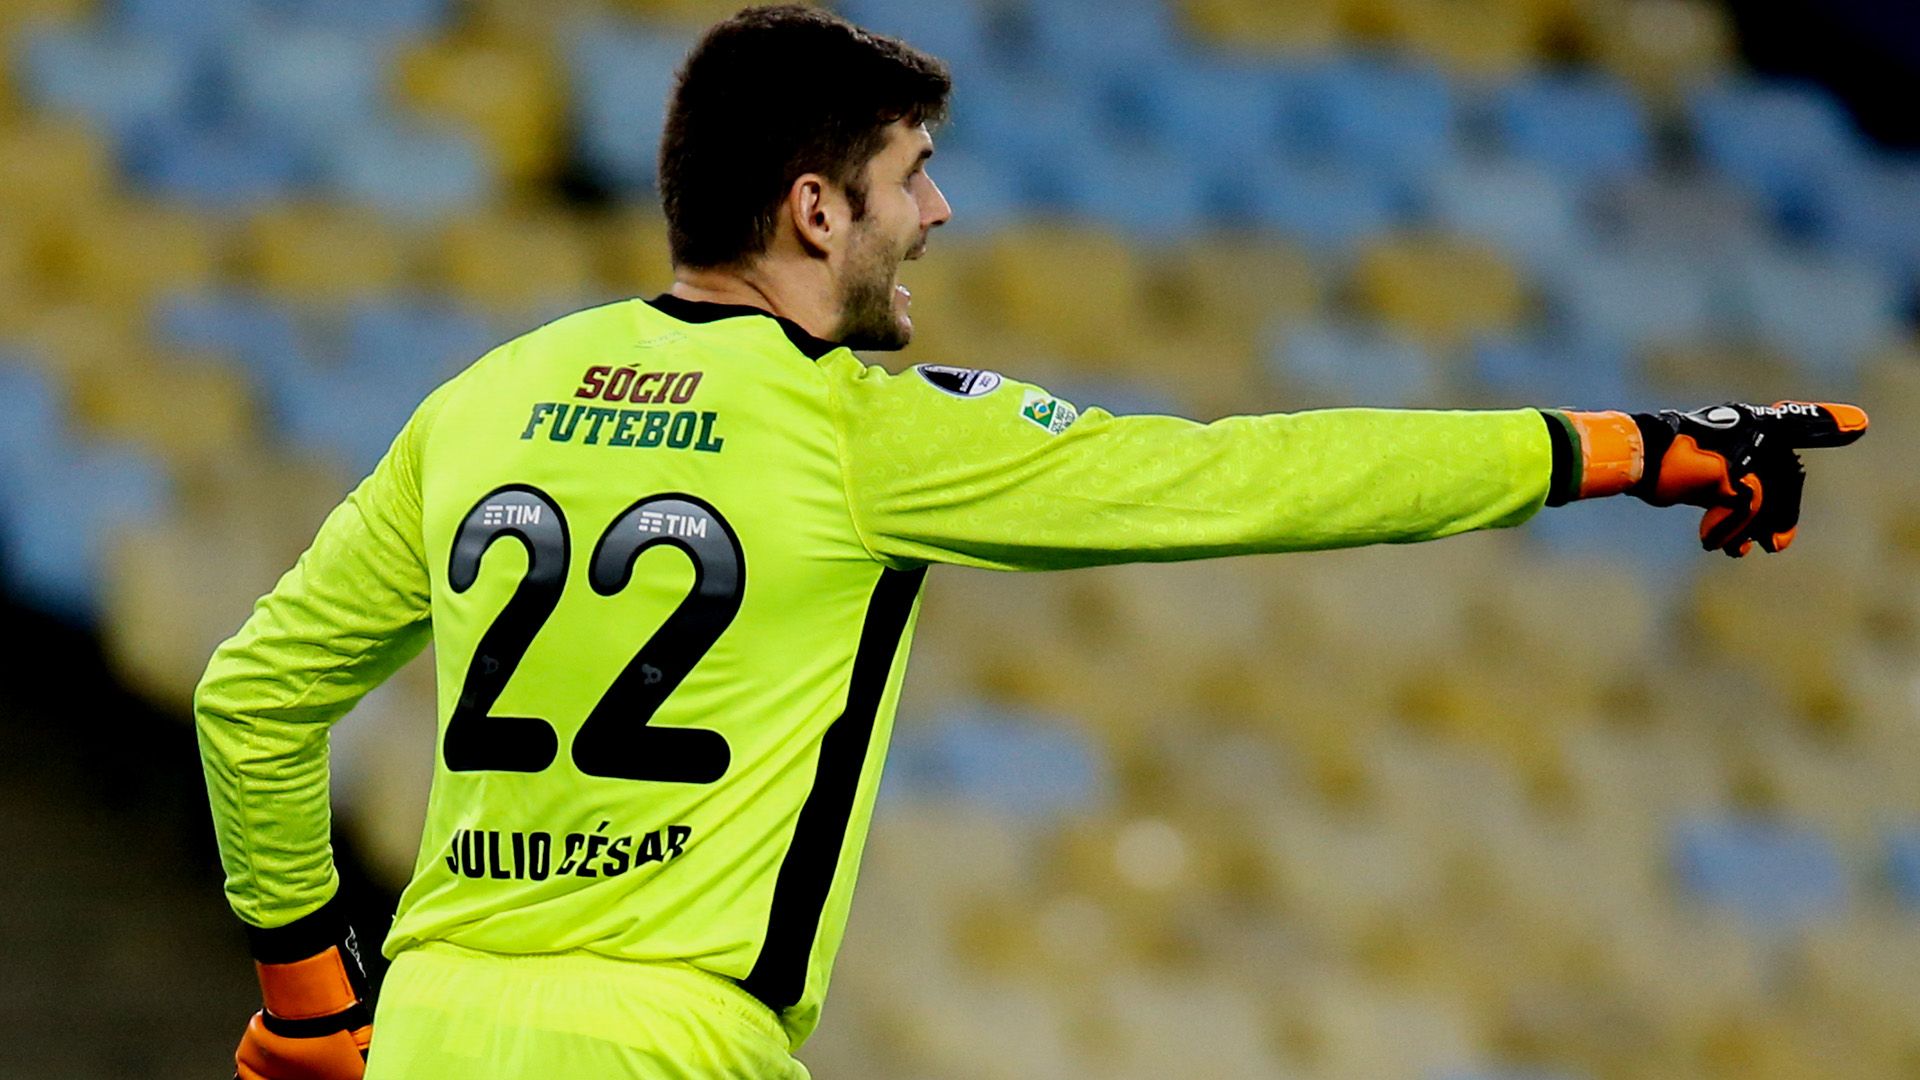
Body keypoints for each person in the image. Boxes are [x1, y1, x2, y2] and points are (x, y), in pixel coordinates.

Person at [195, 6, 1868, 1079]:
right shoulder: (864, 433)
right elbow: (1259, 480)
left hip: (429, 1021)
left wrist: (308, 997)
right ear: (814, 207)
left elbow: (255, 698)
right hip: (668, 1039)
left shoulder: (487, 397)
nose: (942, 212)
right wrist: (1627, 447)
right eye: (915, 176)